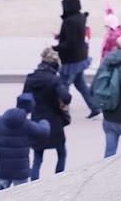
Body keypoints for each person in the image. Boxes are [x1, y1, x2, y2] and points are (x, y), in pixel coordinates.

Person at [22, 49, 71, 179]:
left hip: (36, 120)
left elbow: (24, 99)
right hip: (54, 120)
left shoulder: (31, 78)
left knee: (38, 157)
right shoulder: (54, 79)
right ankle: (58, 179)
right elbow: (66, 98)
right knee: (61, 153)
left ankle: (34, 183)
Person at [0, 92, 49, 186]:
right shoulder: (27, 124)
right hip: (21, 171)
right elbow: (43, 131)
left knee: (1, 192)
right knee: (21, 193)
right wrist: (44, 121)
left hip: (2, 169)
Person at [54, 0, 96, 114]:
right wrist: (61, 36)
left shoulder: (70, 21)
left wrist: (55, 48)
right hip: (80, 57)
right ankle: (95, 107)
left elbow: (70, 42)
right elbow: (75, 36)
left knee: (64, 84)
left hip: (71, 60)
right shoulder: (80, 17)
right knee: (80, 84)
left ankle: (63, 109)